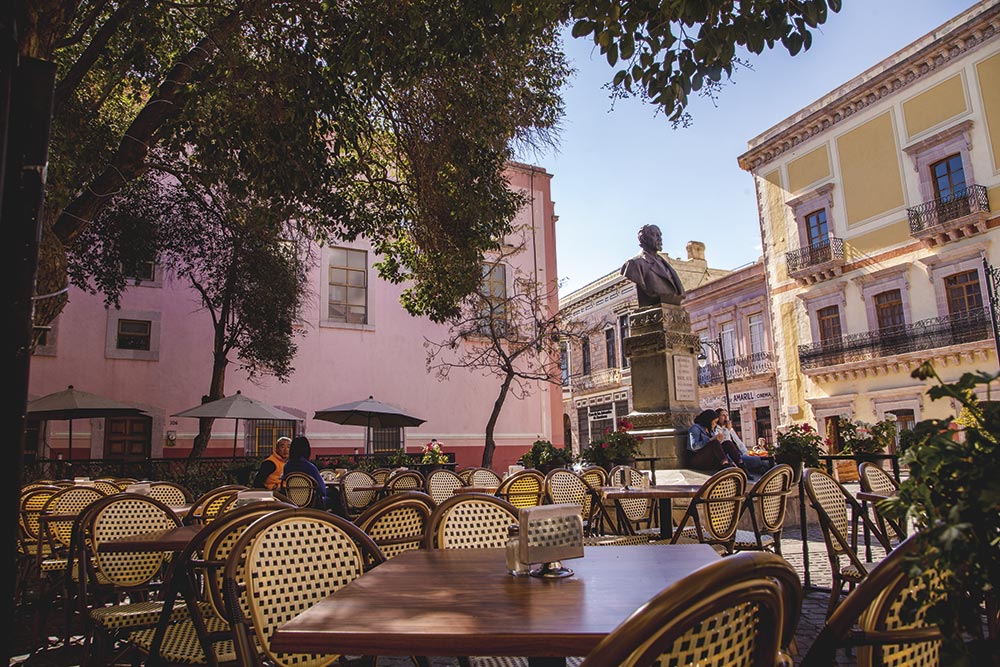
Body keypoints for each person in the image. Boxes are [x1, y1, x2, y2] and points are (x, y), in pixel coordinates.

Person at [620, 224, 685, 307]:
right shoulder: (634, 264)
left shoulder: (665, 264)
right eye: (655, 235)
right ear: (644, 239)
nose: (660, 239)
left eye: (660, 235)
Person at [714, 408, 772, 477]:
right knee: (759, 462)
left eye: (727, 415)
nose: (726, 418)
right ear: (718, 417)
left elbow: (739, 443)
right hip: (731, 458)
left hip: (740, 455)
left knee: (765, 464)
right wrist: (727, 430)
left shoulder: (730, 429)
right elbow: (725, 442)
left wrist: (746, 453)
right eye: (723, 415)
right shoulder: (716, 429)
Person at [282, 435, 329, 509]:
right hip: (312, 503)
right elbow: (322, 490)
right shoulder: (310, 467)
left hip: (292, 502)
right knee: (334, 493)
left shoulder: (287, 466)